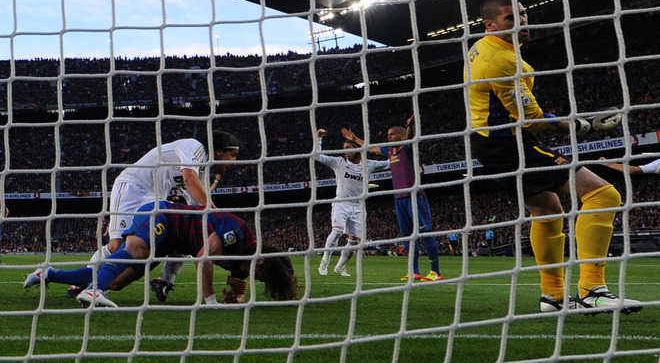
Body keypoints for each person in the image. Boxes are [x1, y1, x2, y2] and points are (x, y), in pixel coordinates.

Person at [464, 0, 642, 314]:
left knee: (548, 209)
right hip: (508, 143)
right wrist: (578, 126)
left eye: (523, 14)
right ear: (489, 24)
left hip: (493, 142)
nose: (522, 22)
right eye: (510, 18)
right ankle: (592, 290)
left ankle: (553, 297)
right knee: (604, 195)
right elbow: (530, 119)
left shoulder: (484, 47)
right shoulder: (503, 61)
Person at [23, 200, 299, 307]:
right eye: (261, 272)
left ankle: (48, 273)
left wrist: (235, 297)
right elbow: (203, 256)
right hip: (164, 216)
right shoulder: (237, 234)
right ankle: (94, 290)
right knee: (136, 250)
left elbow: (238, 290)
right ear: (262, 258)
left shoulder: (243, 265)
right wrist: (212, 301)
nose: (255, 276)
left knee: (118, 282)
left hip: (170, 242)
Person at [72, 130, 240, 301]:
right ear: (219, 151)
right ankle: (83, 283)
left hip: (156, 198)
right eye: (232, 155)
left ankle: (166, 280)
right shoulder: (194, 147)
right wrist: (219, 215)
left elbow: (197, 206)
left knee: (184, 233)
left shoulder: (201, 170)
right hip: (133, 187)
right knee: (117, 246)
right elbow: (189, 178)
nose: (234, 161)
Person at [342, 117, 444, 282]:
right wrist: (355, 139)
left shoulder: (407, 147)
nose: (388, 136)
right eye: (388, 134)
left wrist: (410, 126)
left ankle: (436, 271)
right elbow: (372, 148)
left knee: (425, 233)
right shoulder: (390, 150)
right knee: (408, 236)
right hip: (399, 198)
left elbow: (411, 137)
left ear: (402, 136)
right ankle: (414, 271)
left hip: (414, 196)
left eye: (392, 134)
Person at [314, 128, 390, 277]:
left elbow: (390, 162)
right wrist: (318, 139)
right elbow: (317, 156)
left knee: (355, 241)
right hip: (341, 203)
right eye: (344, 149)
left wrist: (402, 150)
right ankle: (324, 261)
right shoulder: (339, 162)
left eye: (349, 148)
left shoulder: (369, 165)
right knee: (337, 232)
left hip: (359, 206)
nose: (345, 151)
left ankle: (340, 267)